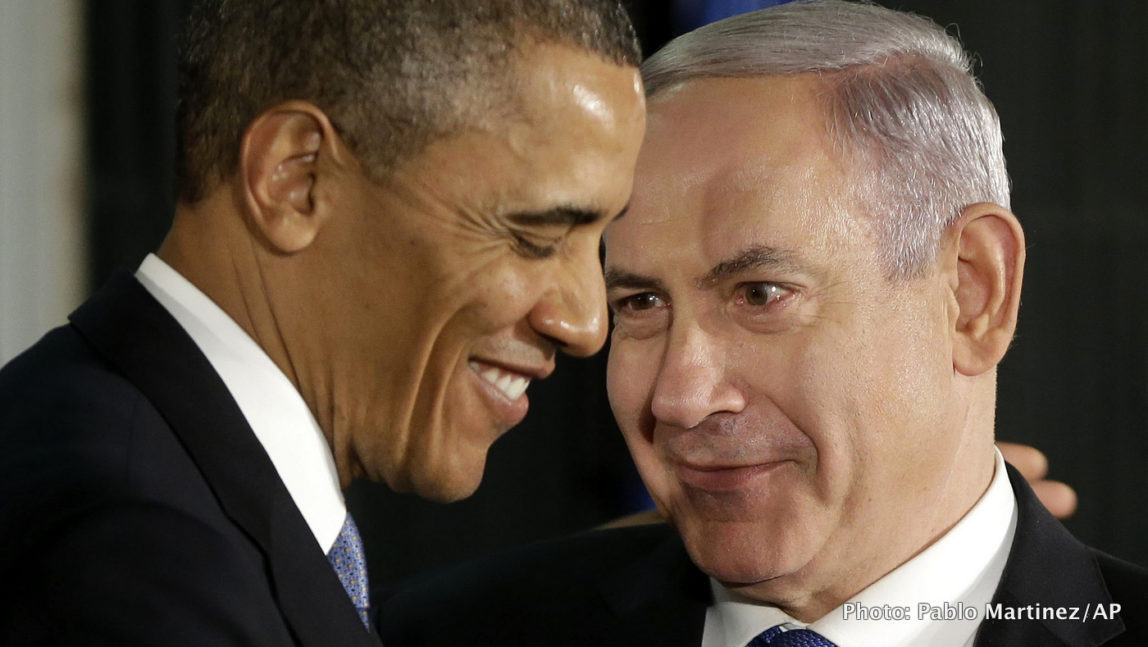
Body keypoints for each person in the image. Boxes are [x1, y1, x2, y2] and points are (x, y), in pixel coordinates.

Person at [377, 2, 1148, 646]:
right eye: (640, 304)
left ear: (973, 292)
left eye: (759, 294)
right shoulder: (433, 634)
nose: (680, 398)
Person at [0, 1, 644, 645]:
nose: (587, 323)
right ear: (297, 180)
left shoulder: (153, 482)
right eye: (536, 237)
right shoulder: (134, 557)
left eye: (600, 245)